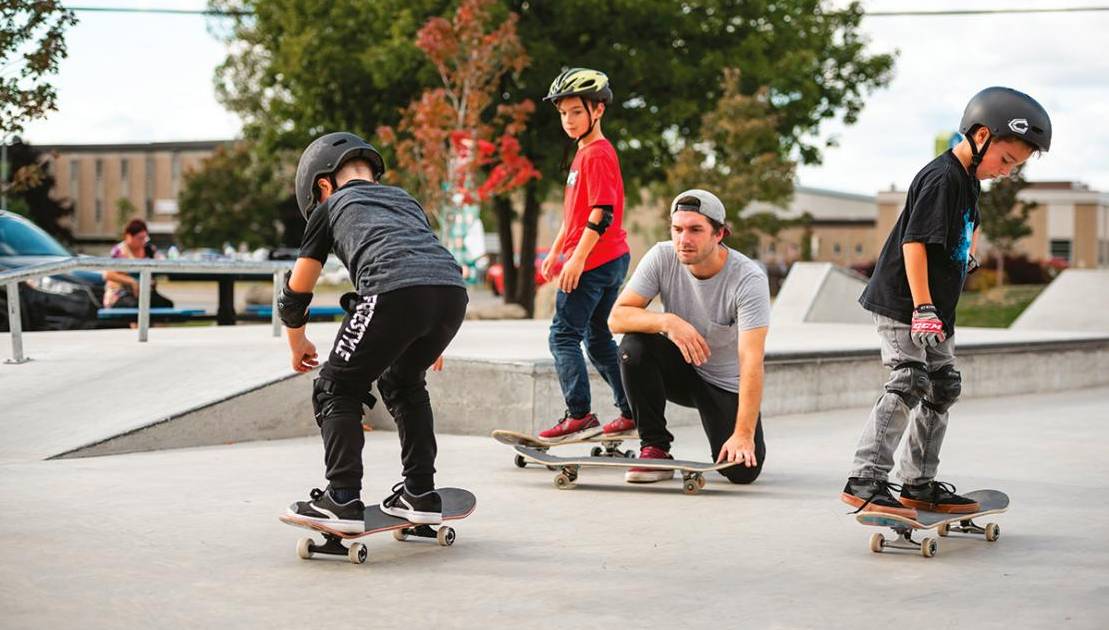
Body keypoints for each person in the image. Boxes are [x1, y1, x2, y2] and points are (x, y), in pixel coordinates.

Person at [841, 87, 1052, 518]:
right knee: (909, 380)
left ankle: (918, 482)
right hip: (906, 304)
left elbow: (963, 228)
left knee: (943, 387)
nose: (1007, 172)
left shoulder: (970, 183)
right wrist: (922, 308)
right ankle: (866, 477)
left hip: (937, 309)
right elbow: (913, 243)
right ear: (980, 136)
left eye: (1016, 167)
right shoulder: (941, 178)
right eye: (1006, 161)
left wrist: (964, 258)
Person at [281, 131, 468, 533]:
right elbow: (425, 256)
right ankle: (420, 494)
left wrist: (297, 340)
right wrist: (429, 337)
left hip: (393, 292)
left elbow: (296, 291)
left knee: (336, 388)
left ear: (323, 185)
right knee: (403, 382)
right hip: (451, 296)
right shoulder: (406, 201)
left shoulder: (329, 208)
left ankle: (342, 499)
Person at [608, 190, 770, 484]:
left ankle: (739, 437)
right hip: (680, 371)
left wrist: (743, 434)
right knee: (634, 345)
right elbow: (616, 318)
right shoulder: (661, 256)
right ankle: (655, 448)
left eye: (696, 230)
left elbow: (752, 360)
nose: (684, 239)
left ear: (719, 234)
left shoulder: (748, 279)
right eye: (677, 229)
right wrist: (667, 321)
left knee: (741, 472)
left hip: (724, 385)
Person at [537, 67, 635, 443]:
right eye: (563, 113)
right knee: (596, 339)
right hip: (609, 258)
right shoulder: (584, 154)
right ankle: (631, 411)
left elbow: (602, 213)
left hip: (595, 260)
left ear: (598, 111)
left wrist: (576, 260)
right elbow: (577, 213)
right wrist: (556, 250)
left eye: (576, 111)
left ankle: (579, 416)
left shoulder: (596, 154)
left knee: (563, 336)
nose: (568, 120)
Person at [102, 218, 174, 309]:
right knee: (136, 307)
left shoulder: (150, 249)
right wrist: (132, 282)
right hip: (121, 294)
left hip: (146, 293)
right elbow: (108, 274)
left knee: (166, 305)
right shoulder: (119, 251)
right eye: (140, 238)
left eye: (145, 238)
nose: (143, 241)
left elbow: (162, 263)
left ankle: (157, 323)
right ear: (129, 236)